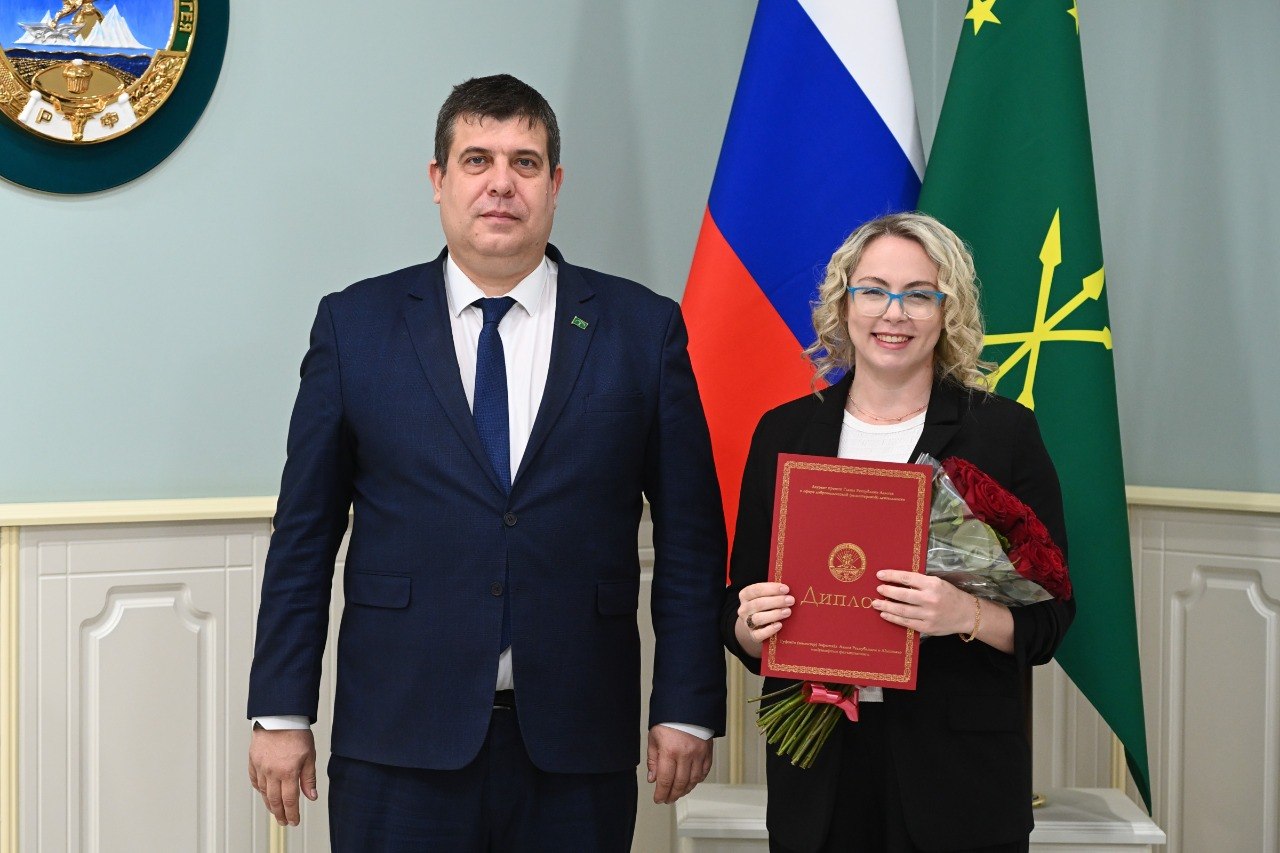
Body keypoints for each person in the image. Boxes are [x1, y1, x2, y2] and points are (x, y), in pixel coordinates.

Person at [247, 74, 727, 852]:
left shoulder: (642, 330)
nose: (501, 183)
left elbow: (692, 538)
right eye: (477, 160)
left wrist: (687, 704)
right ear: (438, 180)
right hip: (398, 739)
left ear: (555, 185)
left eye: (524, 163)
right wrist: (281, 709)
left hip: (578, 744)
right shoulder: (355, 326)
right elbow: (304, 534)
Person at [721, 212, 1074, 853]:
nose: (895, 313)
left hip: (958, 778)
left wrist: (964, 613)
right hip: (820, 772)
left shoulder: (1002, 434)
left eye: (918, 295)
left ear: (947, 311)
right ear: (844, 304)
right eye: (874, 290)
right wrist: (752, 625)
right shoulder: (784, 432)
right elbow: (738, 610)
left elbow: (1052, 618)